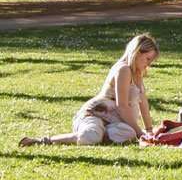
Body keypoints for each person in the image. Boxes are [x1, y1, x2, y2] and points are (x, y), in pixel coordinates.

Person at [19, 34, 159, 147]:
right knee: (91, 136)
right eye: (147, 59)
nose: (148, 64)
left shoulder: (138, 73)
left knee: (129, 133)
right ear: (137, 52)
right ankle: (44, 140)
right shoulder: (123, 69)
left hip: (114, 121)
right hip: (96, 114)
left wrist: (148, 130)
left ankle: (101, 135)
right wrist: (140, 132)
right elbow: (122, 106)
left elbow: (143, 103)